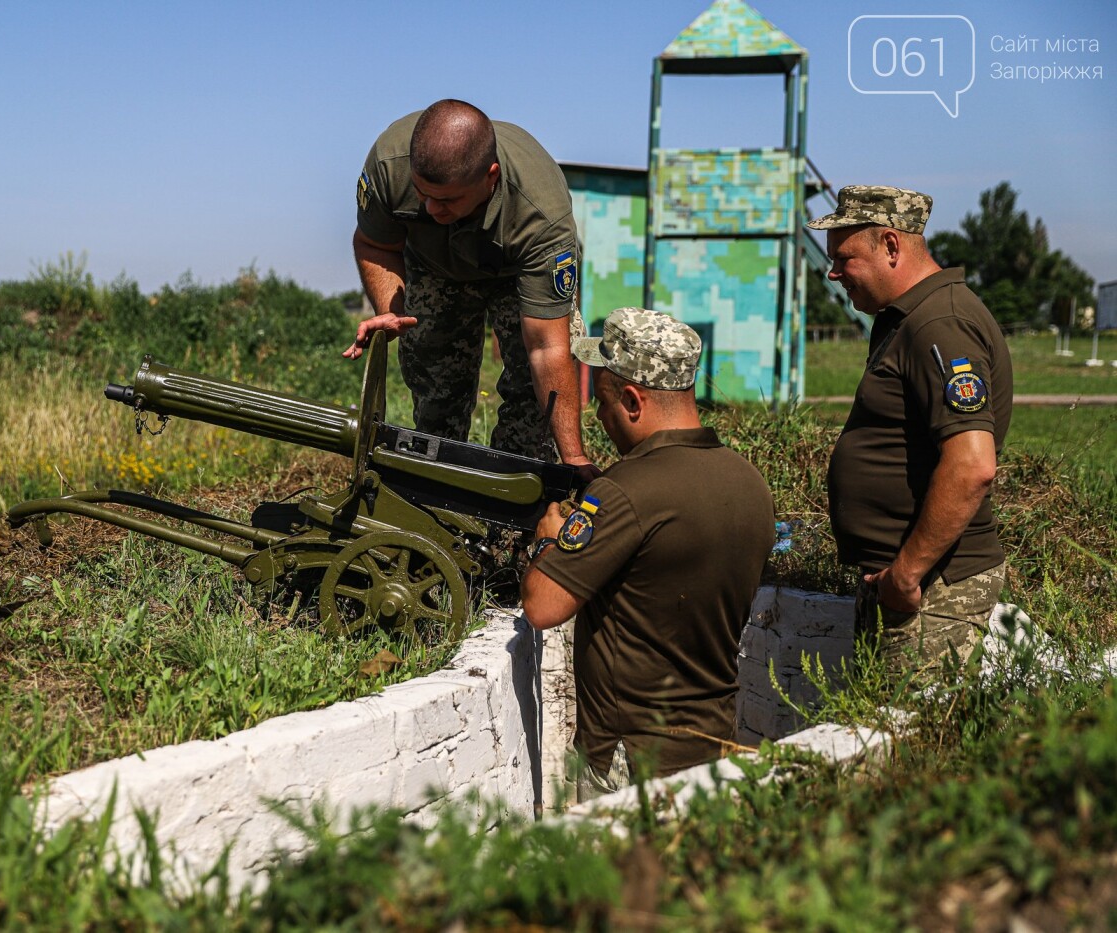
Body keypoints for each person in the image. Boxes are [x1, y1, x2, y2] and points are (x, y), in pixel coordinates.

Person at [520, 308, 775, 796]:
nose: (598, 416)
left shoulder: (622, 492)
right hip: (714, 746)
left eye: (603, 402)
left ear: (633, 401)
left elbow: (542, 606)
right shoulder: (750, 485)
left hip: (629, 758)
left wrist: (550, 539)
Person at [808, 185, 1013, 679]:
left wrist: (906, 575)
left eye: (844, 258)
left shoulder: (939, 323)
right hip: (909, 585)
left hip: (932, 589)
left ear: (892, 246)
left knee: (904, 742)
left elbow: (972, 465)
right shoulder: (908, 319)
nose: (833, 273)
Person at [342, 99, 596, 478]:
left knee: (531, 394)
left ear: (490, 177)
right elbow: (375, 244)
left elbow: (549, 348)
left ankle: (515, 492)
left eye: (446, 200)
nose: (429, 208)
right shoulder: (388, 165)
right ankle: (439, 490)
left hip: (516, 270)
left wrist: (574, 458)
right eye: (421, 193)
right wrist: (389, 310)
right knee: (437, 394)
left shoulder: (541, 214)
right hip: (434, 266)